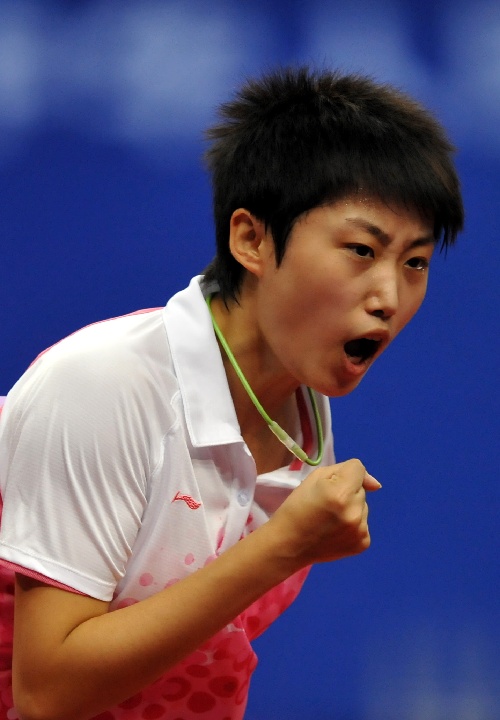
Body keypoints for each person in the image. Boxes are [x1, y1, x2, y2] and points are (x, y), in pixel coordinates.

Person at [0, 66, 463, 720]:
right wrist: (280, 548)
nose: (389, 297)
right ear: (251, 239)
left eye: (415, 262)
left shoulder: (302, 420)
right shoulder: (106, 385)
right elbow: (47, 693)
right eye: (362, 250)